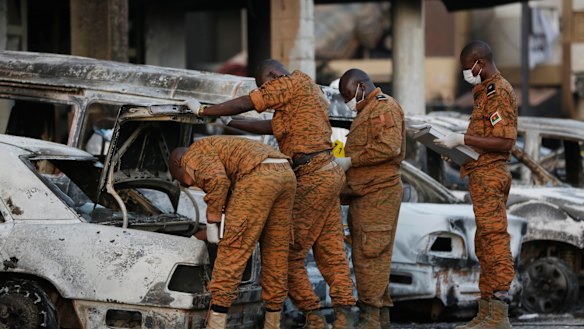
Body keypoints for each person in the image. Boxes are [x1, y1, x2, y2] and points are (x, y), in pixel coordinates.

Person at [189, 59, 356, 329]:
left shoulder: (292, 82)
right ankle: (344, 316)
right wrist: (231, 121)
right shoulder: (308, 91)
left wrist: (206, 110)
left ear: (274, 76)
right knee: (331, 249)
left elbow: (250, 101)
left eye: (265, 86)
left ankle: (313, 317)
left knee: (285, 253)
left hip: (312, 175)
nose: (266, 92)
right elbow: (272, 127)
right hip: (327, 173)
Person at [169, 136, 296, 329]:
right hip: (285, 173)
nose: (194, 185)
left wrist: (212, 220)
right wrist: (198, 235)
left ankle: (216, 325)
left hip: (258, 175)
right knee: (275, 251)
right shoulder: (221, 152)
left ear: (179, 164)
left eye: (186, 182)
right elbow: (232, 213)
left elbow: (217, 182)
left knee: (232, 251)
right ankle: (273, 323)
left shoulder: (193, 154)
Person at [434, 40, 517, 329]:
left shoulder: (499, 91)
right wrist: (455, 149)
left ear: (479, 63)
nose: (466, 73)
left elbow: (505, 141)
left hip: (491, 175)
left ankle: (499, 312)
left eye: (467, 68)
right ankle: (486, 312)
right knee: (484, 243)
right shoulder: (483, 91)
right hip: (481, 174)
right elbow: (485, 139)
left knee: (494, 241)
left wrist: (463, 139)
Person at [336, 69, 405, 329]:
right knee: (376, 254)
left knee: (370, 254)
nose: (347, 101)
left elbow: (389, 146)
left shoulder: (381, 108)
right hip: (368, 192)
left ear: (362, 86)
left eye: (348, 95)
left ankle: (370, 318)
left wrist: (351, 160)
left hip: (377, 193)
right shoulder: (370, 109)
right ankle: (381, 316)